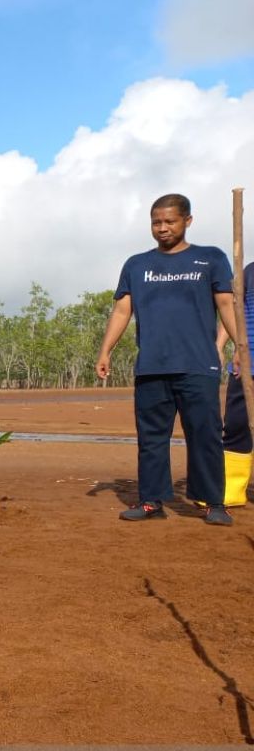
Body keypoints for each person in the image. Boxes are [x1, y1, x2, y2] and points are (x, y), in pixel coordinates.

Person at [96, 193, 239, 526]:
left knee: (204, 434)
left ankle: (212, 502)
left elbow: (227, 305)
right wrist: (106, 350)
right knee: (151, 438)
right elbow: (121, 310)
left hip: (198, 365)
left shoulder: (210, 258)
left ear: (188, 221)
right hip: (152, 368)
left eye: (170, 221)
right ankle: (151, 500)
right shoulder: (137, 264)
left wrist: (242, 346)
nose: (162, 228)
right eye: (156, 222)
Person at [214, 260, 254, 508]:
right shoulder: (248, 272)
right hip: (246, 365)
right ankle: (232, 488)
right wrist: (219, 346)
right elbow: (233, 311)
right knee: (237, 425)